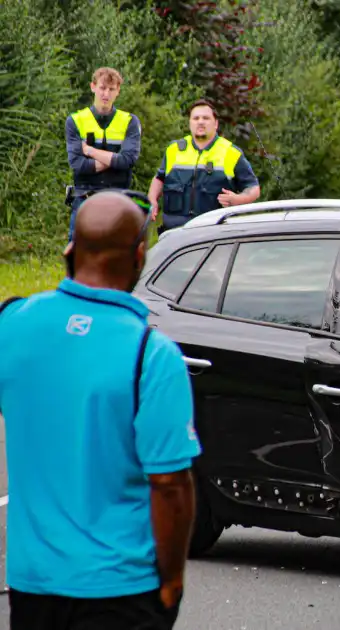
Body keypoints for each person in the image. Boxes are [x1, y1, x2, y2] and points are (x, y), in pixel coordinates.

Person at [0, 191, 201, 629]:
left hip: (33, 587)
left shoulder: (12, 325)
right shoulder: (152, 355)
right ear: (140, 256)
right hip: (122, 590)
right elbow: (170, 484)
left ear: (69, 249)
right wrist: (172, 580)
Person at [148, 99, 260, 233]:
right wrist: (152, 199)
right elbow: (159, 178)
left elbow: (253, 188)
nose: (200, 122)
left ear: (215, 124)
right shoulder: (174, 149)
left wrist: (237, 199)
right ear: (190, 123)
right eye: (196, 118)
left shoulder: (231, 152)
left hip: (213, 235)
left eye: (206, 118)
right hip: (174, 234)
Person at [65, 67, 142, 241]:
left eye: (111, 89)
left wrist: (90, 151)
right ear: (93, 87)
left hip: (118, 200)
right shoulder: (75, 120)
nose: (106, 94)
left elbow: (128, 161)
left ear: (118, 91)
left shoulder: (129, 121)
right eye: (102, 88)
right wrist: (115, 160)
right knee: (78, 260)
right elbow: (78, 164)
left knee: (116, 259)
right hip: (85, 199)